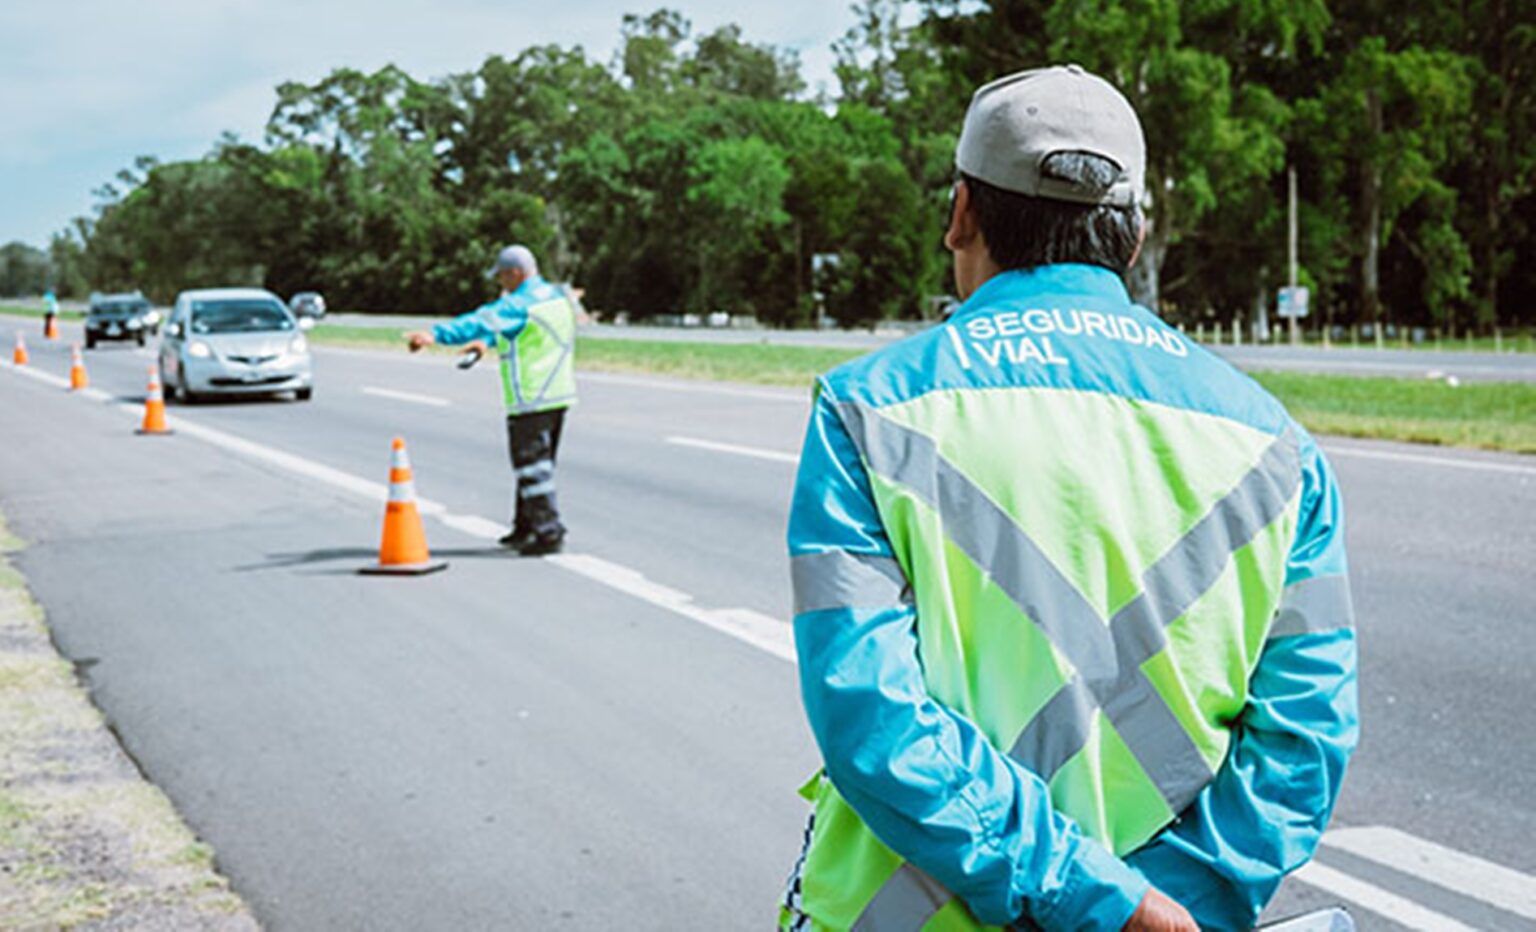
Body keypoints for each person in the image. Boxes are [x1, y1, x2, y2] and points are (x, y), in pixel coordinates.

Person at [780, 65, 1358, 931]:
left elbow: (868, 713)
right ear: (1133, 238)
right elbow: (1303, 742)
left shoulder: (867, 412)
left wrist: (1091, 899)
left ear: (962, 215)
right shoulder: (1278, 449)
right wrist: (1160, 906)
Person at [405, 245, 578, 556]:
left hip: (531, 395)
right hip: (557, 393)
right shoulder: (553, 296)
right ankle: (525, 527)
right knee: (537, 465)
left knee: (532, 468)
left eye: (502, 277)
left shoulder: (519, 304)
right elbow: (519, 331)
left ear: (515, 273)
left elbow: (483, 319)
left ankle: (549, 532)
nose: (500, 284)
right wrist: (485, 343)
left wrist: (434, 335)